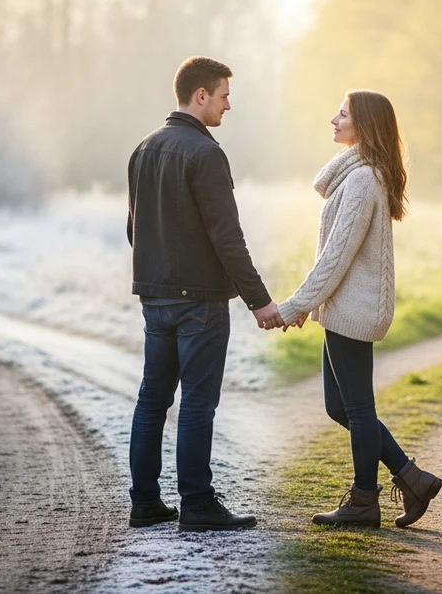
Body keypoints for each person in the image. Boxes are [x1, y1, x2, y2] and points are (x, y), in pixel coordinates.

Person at [125, 56, 284, 532]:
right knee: (197, 402)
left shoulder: (143, 148)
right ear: (200, 96)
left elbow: (135, 229)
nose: (228, 106)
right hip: (200, 303)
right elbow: (227, 237)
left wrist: (156, 279)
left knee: (153, 398)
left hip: (155, 299)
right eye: (223, 95)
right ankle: (196, 504)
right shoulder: (205, 154)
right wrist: (260, 301)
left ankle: (145, 503)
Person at [274, 90, 442, 528]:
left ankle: (365, 500)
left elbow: (337, 256)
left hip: (355, 308)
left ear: (363, 125)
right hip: (345, 306)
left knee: (358, 410)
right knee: (340, 407)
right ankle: (413, 478)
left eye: (343, 114)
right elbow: (335, 257)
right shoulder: (359, 176)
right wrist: (311, 303)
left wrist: (297, 304)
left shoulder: (365, 180)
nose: (333, 119)